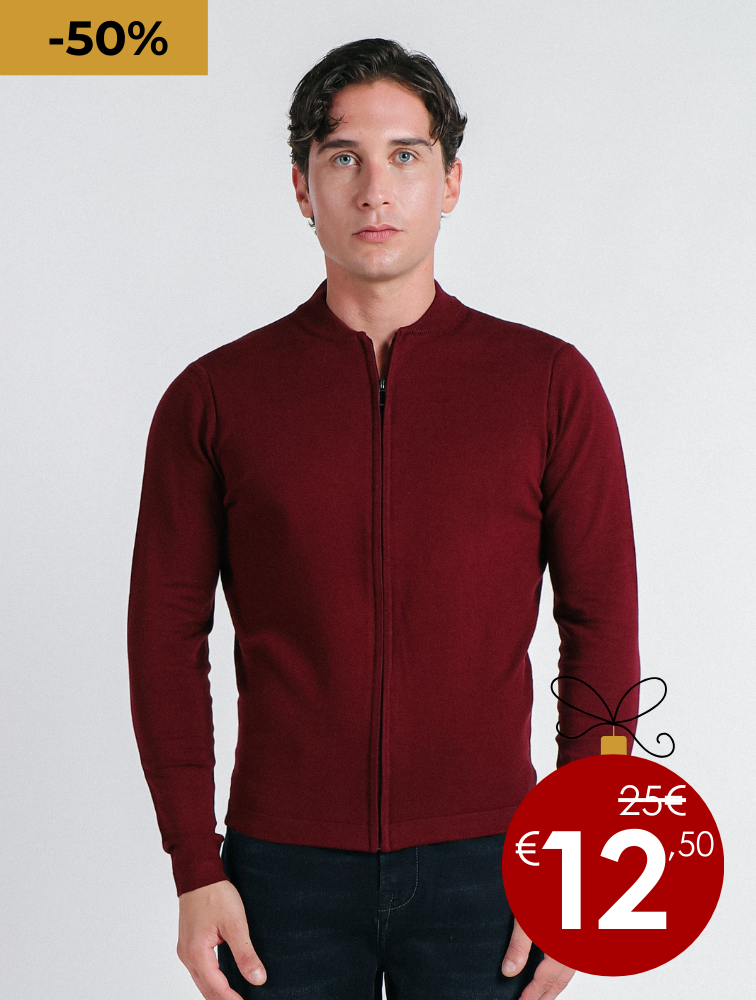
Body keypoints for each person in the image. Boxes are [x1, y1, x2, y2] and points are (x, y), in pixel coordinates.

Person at [127, 37, 640, 1000]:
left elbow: (603, 624)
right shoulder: (215, 397)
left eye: (405, 155)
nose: (375, 190)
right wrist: (195, 864)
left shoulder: (548, 384)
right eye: (343, 157)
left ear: (451, 183)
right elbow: (164, 638)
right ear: (301, 185)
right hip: (278, 875)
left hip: (494, 864)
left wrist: (581, 858)